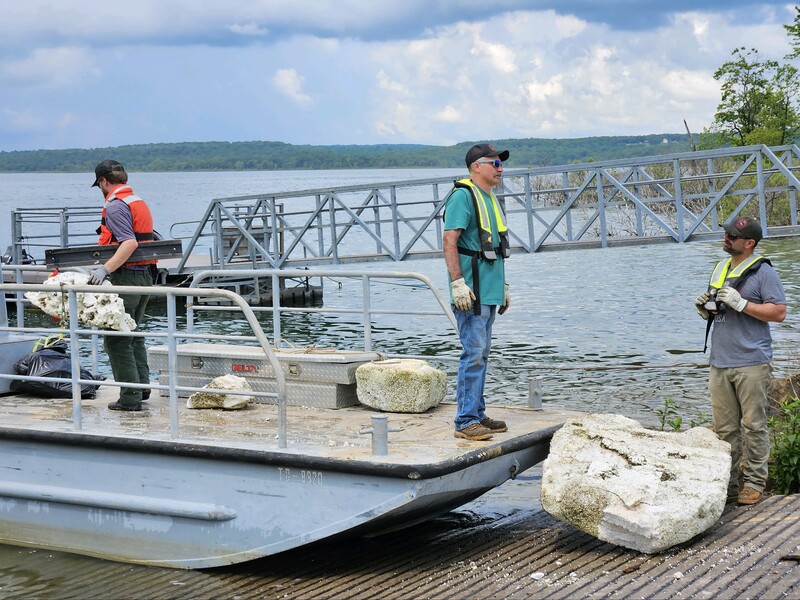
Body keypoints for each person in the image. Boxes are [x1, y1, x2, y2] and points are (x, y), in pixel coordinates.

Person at [693, 216, 786, 505]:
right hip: (719, 361)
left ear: (749, 243)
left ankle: (755, 484)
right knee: (724, 430)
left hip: (751, 361)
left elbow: (779, 312)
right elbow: (719, 310)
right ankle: (729, 486)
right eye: (727, 234)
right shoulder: (720, 268)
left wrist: (743, 304)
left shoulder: (764, 272)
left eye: (732, 236)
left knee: (754, 425)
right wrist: (705, 309)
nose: (726, 238)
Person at [443, 143, 512, 441]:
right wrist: (457, 283)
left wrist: (503, 287)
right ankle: (465, 421)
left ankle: (477, 413)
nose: (500, 168)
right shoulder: (463, 196)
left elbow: (494, 247)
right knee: (472, 354)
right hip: (471, 293)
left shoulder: (489, 198)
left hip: (489, 291)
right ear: (476, 167)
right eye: (494, 163)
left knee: (482, 354)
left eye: (501, 163)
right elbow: (450, 240)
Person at [88, 160, 157, 412]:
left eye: (99, 185)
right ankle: (141, 388)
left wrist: (104, 269)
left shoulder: (116, 206)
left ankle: (130, 398)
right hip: (143, 277)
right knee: (133, 333)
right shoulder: (136, 200)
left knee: (117, 340)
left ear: (104, 181)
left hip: (126, 278)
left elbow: (129, 243)